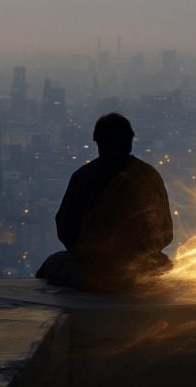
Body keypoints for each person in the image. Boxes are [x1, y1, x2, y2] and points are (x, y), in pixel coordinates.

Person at [36, 112, 174, 293]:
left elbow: (66, 231)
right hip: (141, 271)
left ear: (99, 143)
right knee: (165, 263)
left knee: (51, 264)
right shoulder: (150, 175)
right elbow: (165, 232)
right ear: (130, 142)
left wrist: (90, 254)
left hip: (95, 274)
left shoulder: (83, 176)